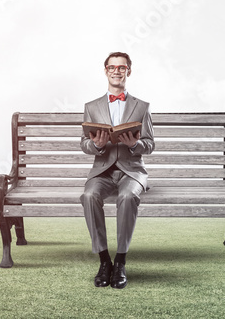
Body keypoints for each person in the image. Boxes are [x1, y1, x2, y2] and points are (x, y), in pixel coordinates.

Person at [80, 51, 155, 289]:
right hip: (102, 171)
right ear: (105, 71)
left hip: (131, 170)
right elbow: (84, 143)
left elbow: (150, 144)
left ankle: (120, 261)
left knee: (128, 196)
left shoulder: (141, 107)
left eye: (121, 68)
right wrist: (96, 145)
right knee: (89, 195)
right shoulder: (91, 107)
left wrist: (135, 144)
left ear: (128, 71)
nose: (116, 71)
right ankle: (104, 261)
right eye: (112, 67)